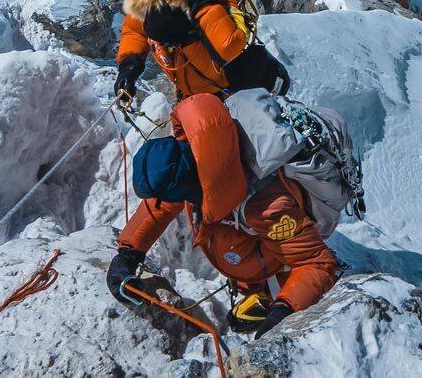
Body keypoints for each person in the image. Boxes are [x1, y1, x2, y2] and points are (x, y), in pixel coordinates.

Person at [106, 93, 340, 337]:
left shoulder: (267, 205)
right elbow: (161, 205)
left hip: (279, 247)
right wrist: (129, 253)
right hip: (251, 241)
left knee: (275, 251)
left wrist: (284, 309)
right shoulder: (197, 155)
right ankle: (257, 289)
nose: (169, 203)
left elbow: (317, 263)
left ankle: (273, 288)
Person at [114, 0, 290, 103]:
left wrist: (201, 2)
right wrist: (129, 67)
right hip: (195, 96)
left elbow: (229, 44)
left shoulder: (212, 0)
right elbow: (134, 31)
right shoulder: (148, 8)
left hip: (241, 90)